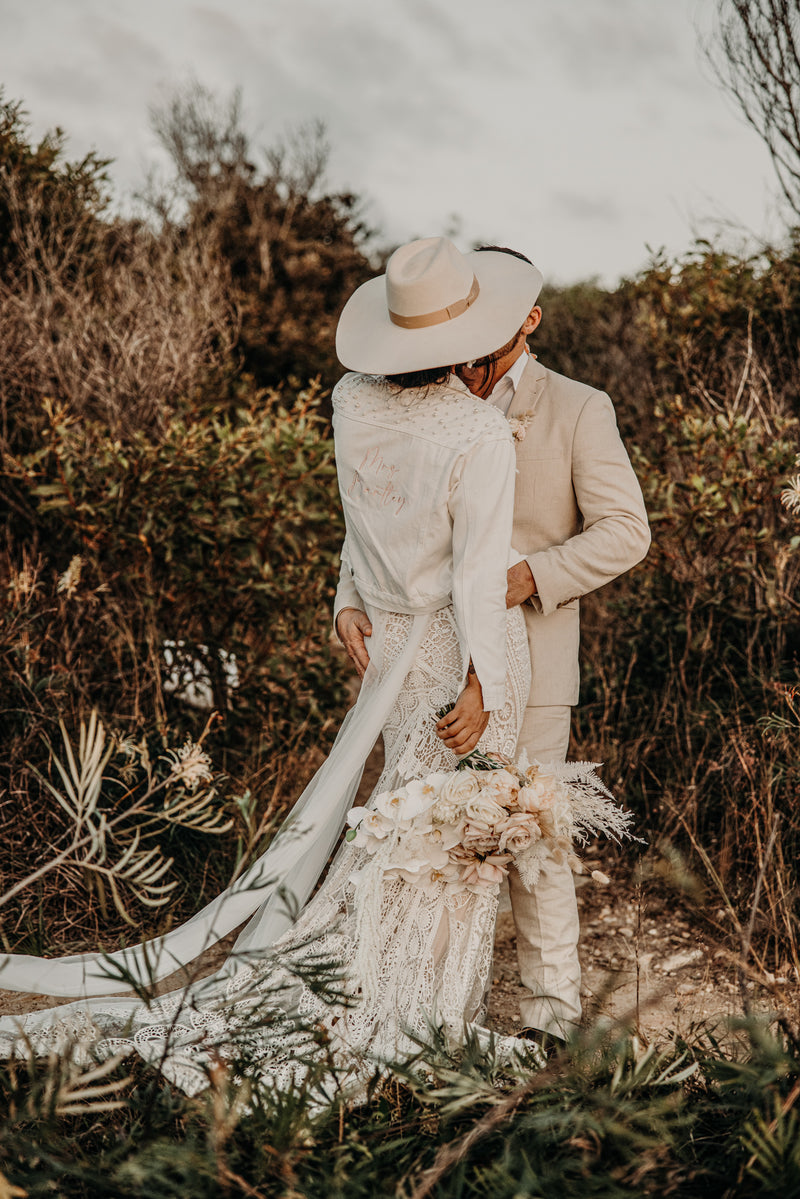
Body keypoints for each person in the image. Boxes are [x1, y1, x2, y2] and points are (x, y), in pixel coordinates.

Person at [0, 237, 545, 1093]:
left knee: (403, 831)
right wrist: (487, 683)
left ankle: (408, 994)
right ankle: (416, 1008)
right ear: (464, 339)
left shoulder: (349, 400)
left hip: (394, 650)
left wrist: (345, 600)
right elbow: (478, 575)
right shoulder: (480, 432)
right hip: (457, 654)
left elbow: (361, 521)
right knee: (448, 840)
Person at [337, 245, 651, 1047]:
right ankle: (415, 997)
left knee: (532, 844)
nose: (470, 361)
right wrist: (346, 595)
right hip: (426, 662)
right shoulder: (422, 392)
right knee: (419, 834)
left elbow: (627, 532)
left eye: (485, 344)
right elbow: (383, 510)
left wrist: (528, 577)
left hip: (533, 662)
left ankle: (552, 1024)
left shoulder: (579, 407)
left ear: (529, 323)